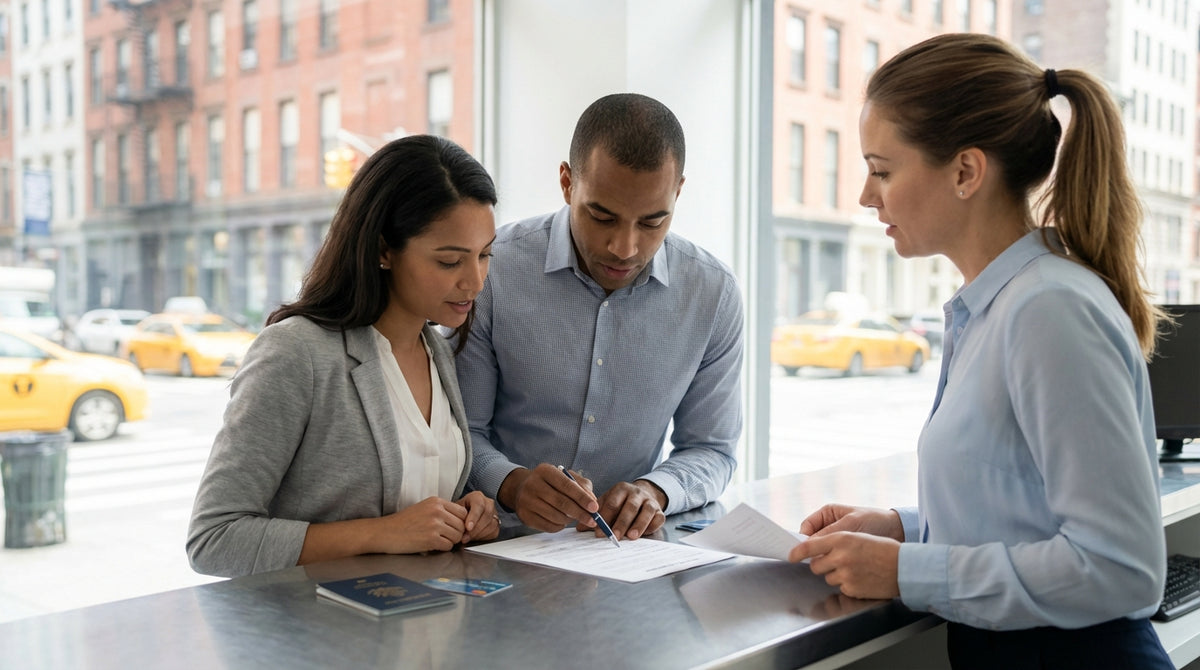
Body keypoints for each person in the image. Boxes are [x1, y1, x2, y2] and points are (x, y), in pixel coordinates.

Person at [788, 33, 1172, 669]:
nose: (866, 195)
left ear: (965, 171)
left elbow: (1120, 568)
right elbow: (1020, 510)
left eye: (882, 170)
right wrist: (906, 529)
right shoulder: (996, 306)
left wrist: (908, 569)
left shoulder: (1050, 310)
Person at [187, 135, 501, 578]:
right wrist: (381, 533)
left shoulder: (437, 351)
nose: (476, 281)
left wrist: (464, 515)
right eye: (450, 261)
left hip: (418, 629)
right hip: (323, 637)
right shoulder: (296, 353)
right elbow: (214, 539)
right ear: (383, 250)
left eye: (485, 255)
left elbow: (416, 506)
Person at [455, 93, 743, 541]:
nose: (624, 248)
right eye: (602, 216)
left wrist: (656, 490)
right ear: (568, 183)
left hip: (625, 555)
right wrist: (512, 484)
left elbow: (712, 449)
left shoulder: (713, 292)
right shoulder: (494, 269)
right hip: (501, 544)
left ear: (678, 192)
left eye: (652, 222)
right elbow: (460, 432)